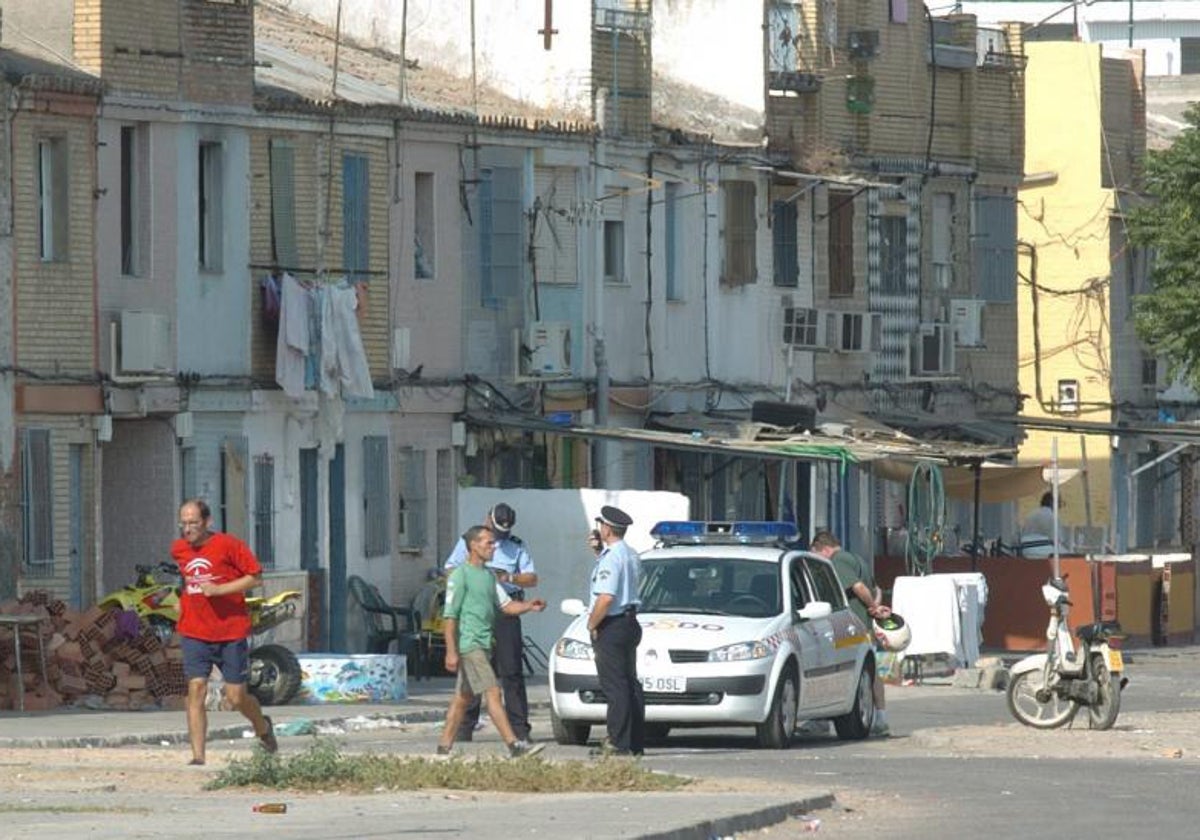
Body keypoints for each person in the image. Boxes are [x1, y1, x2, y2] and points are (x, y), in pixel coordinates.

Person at [171, 499, 278, 766]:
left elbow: (255, 576)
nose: (187, 529)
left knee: (235, 697)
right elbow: (184, 578)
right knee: (196, 688)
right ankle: (198, 756)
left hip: (230, 630)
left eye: (193, 523)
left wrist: (219, 590)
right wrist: (180, 597)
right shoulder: (179, 549)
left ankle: (262, 726)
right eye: (183, 523)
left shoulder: (228, 545)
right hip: (194, 630)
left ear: (207, 522)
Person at [436, 525, 546, 758]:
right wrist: (451, 651)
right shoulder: (460, 575)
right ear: (473, 546)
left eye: (493, 543)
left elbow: (506, 605)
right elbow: (450, 616)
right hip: (470, 645)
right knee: (494, 692)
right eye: (488, 543)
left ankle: (443, 748)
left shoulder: (488, 576)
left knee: (463, 697)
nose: (493, 547)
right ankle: (514, 745)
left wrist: (529, 606)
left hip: (485, 644)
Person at [810, 530, 891, 737]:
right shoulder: (857, 559)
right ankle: (881, 718)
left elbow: (859, 587)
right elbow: (877, 588)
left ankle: (821, 720)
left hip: (847, 627)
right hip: (863, 624)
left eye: (817, 555)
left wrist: (872, 606)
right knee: (870, 672)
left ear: (825, 549)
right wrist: (875, 607)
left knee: (833, 668)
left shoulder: (838, 561)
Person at [585, 505, 644, 757]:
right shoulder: (630, 554)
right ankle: (634, 742)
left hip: (613, 623)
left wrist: (592, 624)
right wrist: (600, 552)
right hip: (630, 621)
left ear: (607, 529)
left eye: (602, 526)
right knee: (630, 684)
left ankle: (618, 744)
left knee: (615, 686)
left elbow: (606, 598)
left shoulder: (612, 557)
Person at [1020, 491, 1070, 555]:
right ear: (1052, 502)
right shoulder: (1053, 517)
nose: (1060, 506)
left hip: (1027, 551)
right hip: (1045, 553)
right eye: (1059, 502)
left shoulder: (1031, 514)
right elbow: (1057, 540)